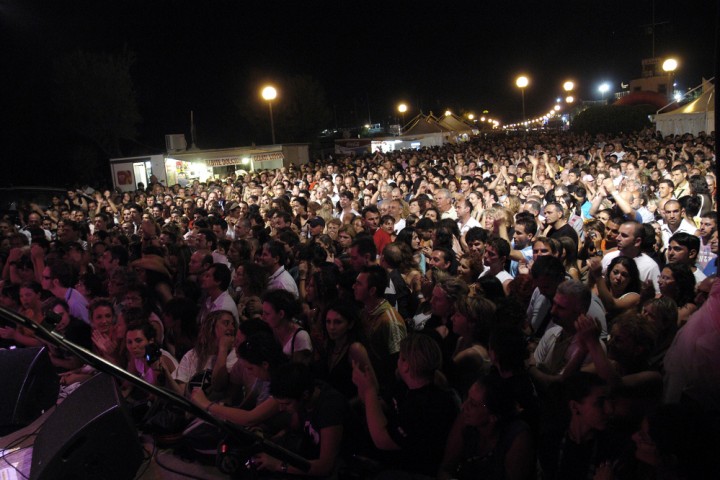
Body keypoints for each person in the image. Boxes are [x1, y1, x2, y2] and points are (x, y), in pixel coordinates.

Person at [352, 334, 459, 477]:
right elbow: (381, 406)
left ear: (406, 365)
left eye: (400, 357)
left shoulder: (429, 404)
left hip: (410, 471)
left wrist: (370, 390)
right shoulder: (405, 386)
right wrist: (364, 387)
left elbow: (382, 440)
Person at [250, 362, 348, 477]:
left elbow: (325, 466)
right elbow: (293, 428)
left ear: (305, 395)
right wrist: (268, 436)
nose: (281, 409)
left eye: (286, 404)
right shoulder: (307, 394)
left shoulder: (330, 408)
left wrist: (278, 465)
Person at [438, 374, 535, 480]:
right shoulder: (466, 419)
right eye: (467, 397)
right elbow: (446, 468)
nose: (464, 406)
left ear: (493, 417)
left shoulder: (517, 437)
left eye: (473, 404)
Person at [166, 309, 238, 399]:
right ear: (211, 327)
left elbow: (219, 386)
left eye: (233, 324)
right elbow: (182, 392)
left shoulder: (235, 355)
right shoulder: (192, 355)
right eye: (226, 323)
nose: (232, 328)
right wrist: (166, 371)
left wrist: (223, 348)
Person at [261, 288, 312, 363]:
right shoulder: (271, 329)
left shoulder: (300, 338)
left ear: (281, 314)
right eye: (263, 313)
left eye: (267, 314)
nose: (263, 317)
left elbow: (299, 372)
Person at [588, 255, 642, 321]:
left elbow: (612, 305)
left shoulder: (634, 297)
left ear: (631, 279)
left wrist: (598, 277)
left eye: (624, 275)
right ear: (609, 272)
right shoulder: (602, 285)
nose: (618, 277)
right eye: (615, 272)